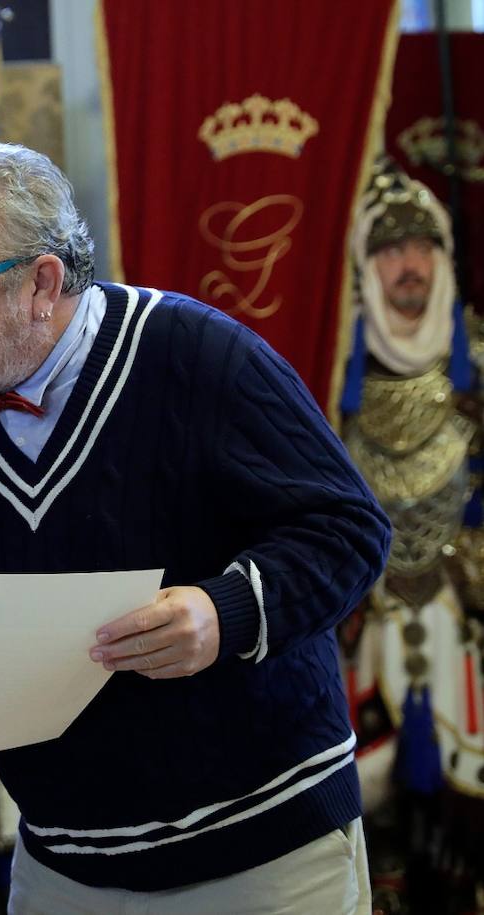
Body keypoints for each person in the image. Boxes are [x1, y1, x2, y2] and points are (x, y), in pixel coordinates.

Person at [0, 141, 392, 913]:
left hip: (265, 850)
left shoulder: (196, 353)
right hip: (62, 863)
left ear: (41, 282)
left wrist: (221, 611)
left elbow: (348, 528)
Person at [337, 156, 484, 913]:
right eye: (391, 249)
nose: (409, 265)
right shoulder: (333, 372)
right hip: (368, 622)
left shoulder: (477, 362)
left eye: (423, 245)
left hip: (468, 617)